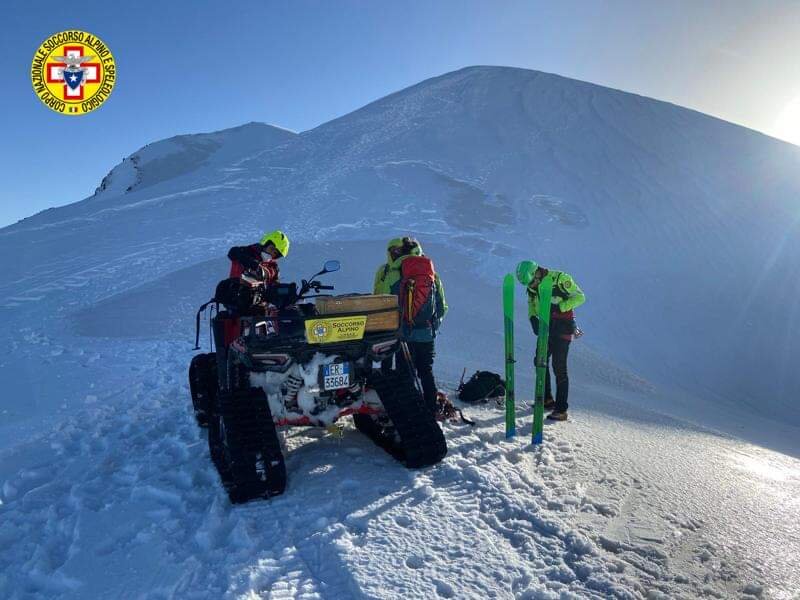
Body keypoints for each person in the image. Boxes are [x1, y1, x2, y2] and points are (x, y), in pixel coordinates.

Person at [374, 237, 448, 413]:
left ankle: (409, 411)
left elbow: (381, 302)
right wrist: (431, 327)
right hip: (426, 333)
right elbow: (442, 306)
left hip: (402, 334)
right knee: (426, 371)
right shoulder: (430, 273)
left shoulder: (390, 272)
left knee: (404, 375)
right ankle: (430, 410)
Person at [516, 260, 585, 421]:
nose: (532, 285)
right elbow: (532, 305)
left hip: (563, 327)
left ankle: (561, 410)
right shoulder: (532, 287)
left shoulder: (560, 279)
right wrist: (533, 318)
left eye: (533, 281)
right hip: (546, 328)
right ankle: (546, 399)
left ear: (537, 272)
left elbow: (580, 297)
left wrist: (560, 307)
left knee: (559, 367)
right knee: (539, 361)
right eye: (529, 283)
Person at [223, 230, 290, 345]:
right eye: (272, 250)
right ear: (267, 243)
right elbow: (233, 252)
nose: (272, 254)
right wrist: (251, 263)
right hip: (237, 301)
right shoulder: (246, 251)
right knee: (238, 336)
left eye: (276, 254)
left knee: (262, 335)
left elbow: (274, 285)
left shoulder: (273, 267)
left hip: (259, 307)